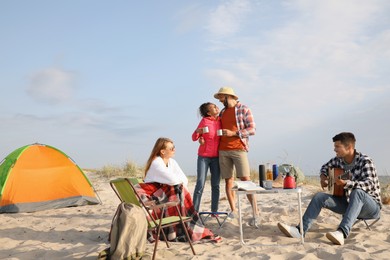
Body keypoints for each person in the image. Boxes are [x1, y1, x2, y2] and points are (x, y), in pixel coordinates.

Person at [278, 132, 382, 245]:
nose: (334, 149)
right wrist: (323, 177)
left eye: (337, 146)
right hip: (348, 203)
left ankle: (342, 232)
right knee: (319, 197)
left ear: (349, 147)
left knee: (357, 193)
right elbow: (324, 167)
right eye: (334, 146)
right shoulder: (337, 160)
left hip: (371, 207)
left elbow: (369, 184)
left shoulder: (365, 161)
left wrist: (346, 183)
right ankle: (300, 231)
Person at [138, 137, 221, 243]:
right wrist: (178, 183)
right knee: (177, 188)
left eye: (174, 147)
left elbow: (184, 180)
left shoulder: (172, 162)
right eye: (171, 148)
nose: (174, 150)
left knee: (178, 189)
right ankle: (187, 227)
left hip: (162, 196)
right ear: (162, 151)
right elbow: (173, 180)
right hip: (153, 196)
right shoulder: (156, 162)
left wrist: (178, 184)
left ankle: (185, 228)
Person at [213, 87, 259, 225]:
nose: (220, 101)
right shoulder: (222, 112)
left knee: (246, 180)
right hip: (223, 150)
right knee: (228, 181)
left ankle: (256, 212)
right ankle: (234, 211)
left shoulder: (244, 109)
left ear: (229, 96)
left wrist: (234, 133)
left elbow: (252, 129)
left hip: (239, 149)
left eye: (221, 98)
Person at [192, 102, 221, 213]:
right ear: (208, 112)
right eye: (213, 107)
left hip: (216, 158)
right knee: (200, 184)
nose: (216, 107)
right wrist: (198, 133)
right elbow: (194, 137)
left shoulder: (220, 120)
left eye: (216, 106)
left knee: (216, 185)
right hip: (203, 157)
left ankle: (214, 211)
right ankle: (195, 212)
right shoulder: (204, 121)